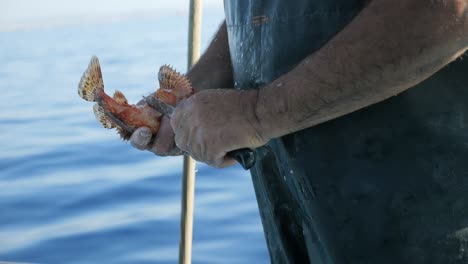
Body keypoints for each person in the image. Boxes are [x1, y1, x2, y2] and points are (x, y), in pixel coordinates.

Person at [131, 0, 468, 263]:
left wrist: (256, 113)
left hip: (425, 218)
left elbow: (446, 11)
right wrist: (190, 96)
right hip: (302, 219)